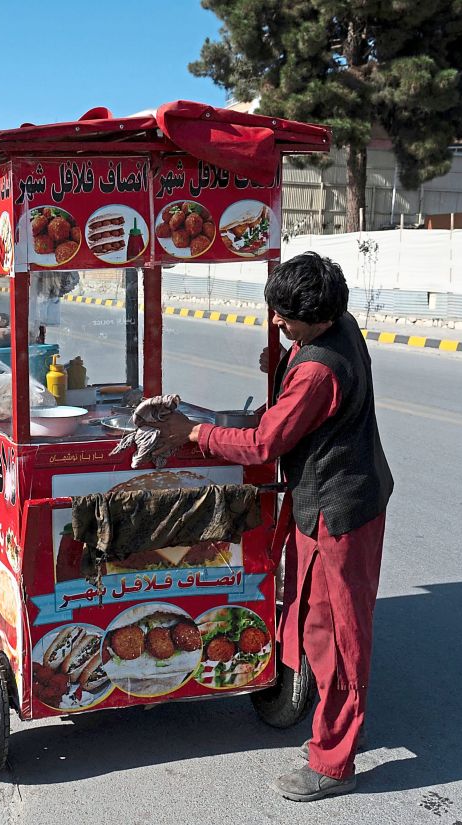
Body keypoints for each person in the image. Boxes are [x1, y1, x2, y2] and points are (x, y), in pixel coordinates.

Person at [155, 252, 393, 802]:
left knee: (340, 637)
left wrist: (194, 433)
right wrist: (281, 363)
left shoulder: (315, 371)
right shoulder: (338, 327)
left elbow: (264, 443)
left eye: (285, 317)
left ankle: (335, 762)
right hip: (326, 503)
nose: (278, 324)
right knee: (312, 618)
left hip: (342, 512)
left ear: (316, 316)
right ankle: (304, 701)